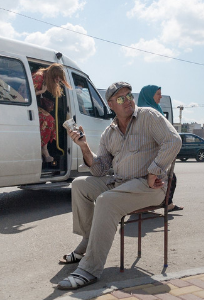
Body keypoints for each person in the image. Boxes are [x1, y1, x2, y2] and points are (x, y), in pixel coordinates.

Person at [56, 82, 181, 290]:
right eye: (121, 98)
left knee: (107, 201)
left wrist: (154, 171)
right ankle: (89, 240)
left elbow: (173, 141)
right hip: (121, 183)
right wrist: (84, 147)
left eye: (129, 96)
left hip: (150, 187)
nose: (128, 101)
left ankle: (90, 269)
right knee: (79, 185)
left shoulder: (148, 116)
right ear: (111, 104)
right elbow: (100, 170)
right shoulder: (109, 133)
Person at [137, 85, 182, 212]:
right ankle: (163, 205)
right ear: (150, 96)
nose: (161, 96)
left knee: (166, 178)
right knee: (168, 178)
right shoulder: (147, 113)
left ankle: (155, 205)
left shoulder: (156, 109)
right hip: (148, 154)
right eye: (158, 94)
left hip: (158, 152)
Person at [32, 64, 71, 162]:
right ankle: (44, 150)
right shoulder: (39, 76)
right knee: (49, 120)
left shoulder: (44, 76)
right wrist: (42, 91)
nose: (57, 81)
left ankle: (44, 149)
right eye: (57, 79)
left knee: (49, 118)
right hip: (25, 106)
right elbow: (25, 95)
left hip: (33, 106)